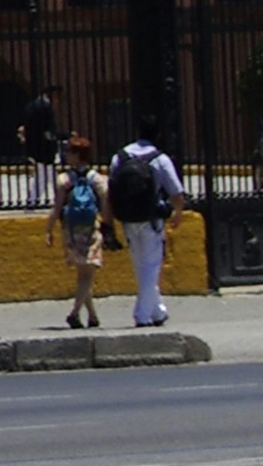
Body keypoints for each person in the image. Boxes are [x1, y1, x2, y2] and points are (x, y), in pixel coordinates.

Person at [110, 131, 183, 328]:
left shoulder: (120, 157)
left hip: (127, 218)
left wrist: (108, 220)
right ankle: (142, 315)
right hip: (151, 219)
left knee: (140, 265)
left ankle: (157, 311)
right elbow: (176, 191)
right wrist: (178, 212)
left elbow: (111, 190)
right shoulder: (160, 159)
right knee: (151, 266)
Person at [50, 145, 106, 331]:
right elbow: (105, 205)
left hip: (71, 230)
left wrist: (48, 229)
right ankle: (74, 314)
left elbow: (57, 207)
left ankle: (92, 315)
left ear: (77, 155)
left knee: (82, 273)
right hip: (91, 229)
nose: (66, 155)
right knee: (87, 274)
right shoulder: (97, 179)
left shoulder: (64, 180)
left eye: (69, 152)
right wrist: (109, 225)